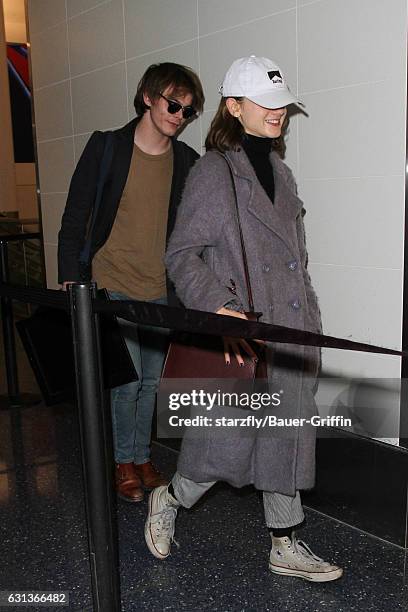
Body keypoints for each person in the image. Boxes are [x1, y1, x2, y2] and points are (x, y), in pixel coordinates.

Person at [145, 55, 343, 582]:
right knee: (219, 446)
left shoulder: (281, 171)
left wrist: (312, 318)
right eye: (265, 101)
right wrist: (217, 309)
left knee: (285, 440)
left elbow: (295, 256)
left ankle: (284, 544)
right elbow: (182, 253)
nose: (277, 110)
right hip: (242, 333)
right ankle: (168, 498)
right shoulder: (214, 172)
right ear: (233, 107)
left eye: (281, 102)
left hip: (292, 332)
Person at [58, 63, 205, 502]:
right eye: (173, 104)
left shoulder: (186, 160)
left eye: (188, 111)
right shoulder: (108, 147)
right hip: (112, 282)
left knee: (150, 383)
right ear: (148, 96)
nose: (179, 115)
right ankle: (124, 462)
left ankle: (141, 457)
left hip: (160, 288)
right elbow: (76, 214)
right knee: (127, 380)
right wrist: (71, 276)